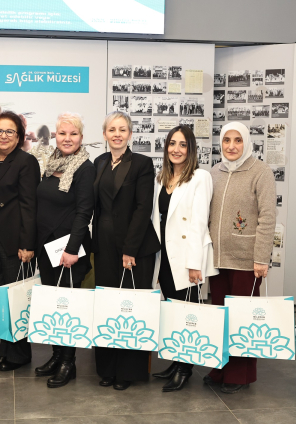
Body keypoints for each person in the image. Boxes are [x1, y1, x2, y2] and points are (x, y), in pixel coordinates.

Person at [205, 121, 276, 394]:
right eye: (226, 140)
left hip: (247, 260)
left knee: (242, 320)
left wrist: (262, 258)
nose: (231, 146)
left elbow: (268, 217)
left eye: (237, 140)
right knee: (221, 317)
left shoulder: (260, 172)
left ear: (246, 142)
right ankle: (220, 368)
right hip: (218, 259)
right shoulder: (215, 172)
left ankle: (239, 374)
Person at [92, 112, 160, 390]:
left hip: (135, 248)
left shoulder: (142, 163)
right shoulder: (99, 162)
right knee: (107, 307)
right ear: (105, 134)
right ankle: (107, 368)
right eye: (112, 129)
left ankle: (129, 371)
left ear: (130, 134)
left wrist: (130, 249)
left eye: (122, 129)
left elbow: (144, 208)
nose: (117, 134)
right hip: (104, 246)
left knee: (131, 309)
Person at [151, 126, 218, 392]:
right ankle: (176, 361)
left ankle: (185, 368)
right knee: (173, 311)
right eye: (172, 143)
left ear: (191, 149)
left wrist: (194, 264)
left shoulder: (200, 177)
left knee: (187, 313)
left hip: (186, 257)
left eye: (182, 145)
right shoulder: (161, 178)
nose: (176, 149)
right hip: (164, 256)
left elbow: (199, 223)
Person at [34, 112, 95, 388]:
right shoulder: (51, 163)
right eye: (62, 133)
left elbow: (84, 212)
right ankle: (57, 356)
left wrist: (71, 249)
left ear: (81, 137)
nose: (67, 138)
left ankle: (68, 363)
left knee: (67, 308)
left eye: (73, 134)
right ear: (55, 136)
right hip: (46, 247)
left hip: (68, 250)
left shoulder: (85, 168)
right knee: (52, 306)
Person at [0, 111, 41, 372]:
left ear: (18, 137)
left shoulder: (26, 162)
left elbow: (30, 205)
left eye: (10, 131)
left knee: (16, 300)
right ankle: (5, 351)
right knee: (3, 298)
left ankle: (19, 355)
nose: (4, 136)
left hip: (16, 243)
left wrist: (28, 245)